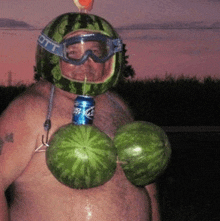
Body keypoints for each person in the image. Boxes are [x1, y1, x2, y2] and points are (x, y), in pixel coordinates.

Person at [0, 13, 160, 220]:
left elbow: (147, 183)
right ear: (52, 57)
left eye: (95, 52)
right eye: (72, 53)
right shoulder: (30, 109)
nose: (86, 64)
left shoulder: (117, 104)